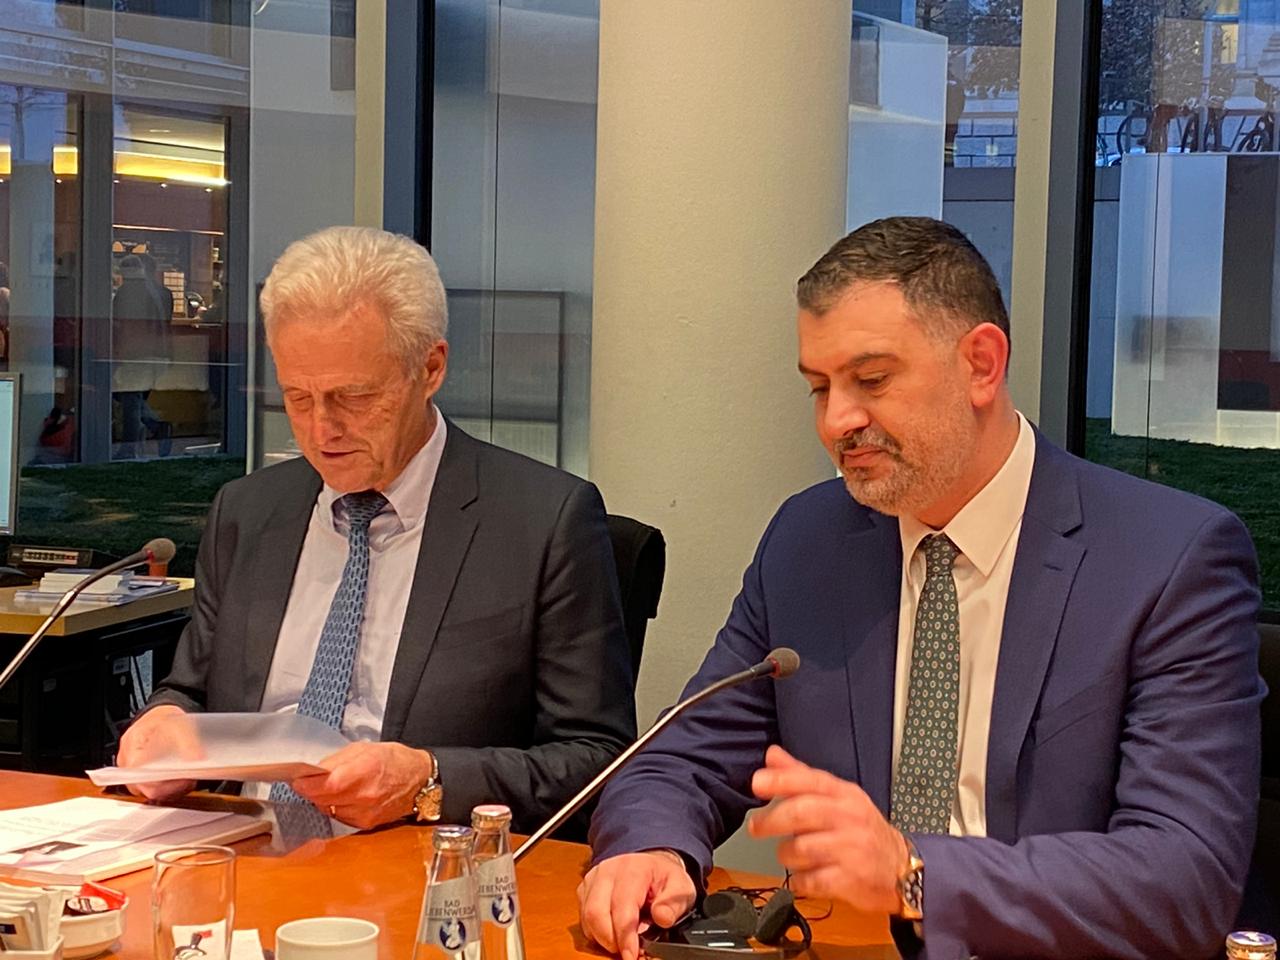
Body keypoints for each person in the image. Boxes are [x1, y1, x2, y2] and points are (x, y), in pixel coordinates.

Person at [578, 216, 1263, 960]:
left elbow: (1184, 878)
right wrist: (649, 848)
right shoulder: (809, 541)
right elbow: (682, 757)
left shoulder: (1167, 559)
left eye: (871, 380)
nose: (838, 421)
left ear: (982, 365)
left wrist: (915, 875)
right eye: (819, 388)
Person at [118, 226, 636, 834]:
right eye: (298, 397)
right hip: (243, 852)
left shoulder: (542, 522)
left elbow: (597, 761)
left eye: (354, 397)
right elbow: (191, 691)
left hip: (417, 864)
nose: (322, 429)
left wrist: (429, 780)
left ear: (431, 368)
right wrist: (164, 723)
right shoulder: (247, 511)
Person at [111, 255, 171, 458]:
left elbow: (126, 326)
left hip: (136, 353)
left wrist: (119, 351)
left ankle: (130, 447)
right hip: (155, 352)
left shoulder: (127, 292)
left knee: (129, 400)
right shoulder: (156, 291)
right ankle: (156, 427)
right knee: (133, 398)